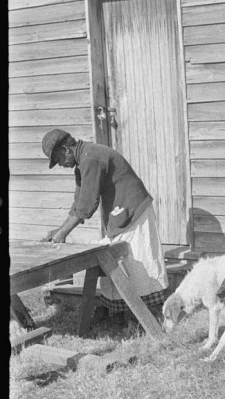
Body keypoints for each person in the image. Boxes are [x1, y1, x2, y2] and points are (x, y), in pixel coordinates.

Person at [40, 129, 169, 326]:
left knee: (138, 260)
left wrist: (63, 233)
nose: (59, 164)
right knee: (118, 260)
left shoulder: (90, 158)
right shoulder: (83, 162)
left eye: (57, 159)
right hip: (120, 211)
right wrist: (58, 231)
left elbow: (87, 206)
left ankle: (152, 312)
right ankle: (122, 311)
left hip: (133, 209)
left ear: (65, 149)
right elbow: (79, 203)